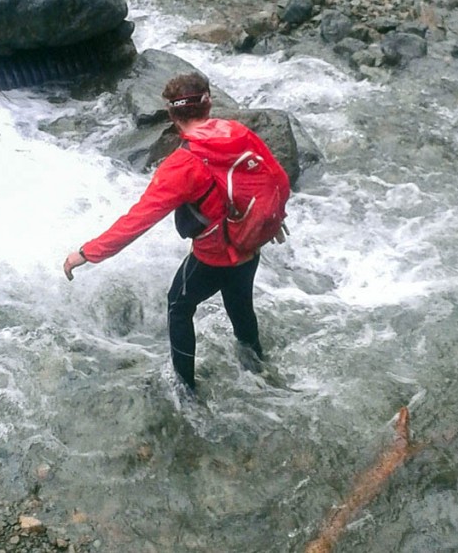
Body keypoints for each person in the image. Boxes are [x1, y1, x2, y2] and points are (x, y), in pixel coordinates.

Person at [63, 72, 290, 393]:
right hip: (249, 246)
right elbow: (277, 178)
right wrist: (273, 220)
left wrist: (87, 253)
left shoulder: (181, 164)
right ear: (208, 104)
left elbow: (139, 219)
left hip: (213, 256)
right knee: (240, 305)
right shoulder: (238, 133)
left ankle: (186, 389)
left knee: (179, 306)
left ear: (172, 114)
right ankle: (259, 371)